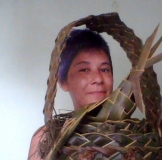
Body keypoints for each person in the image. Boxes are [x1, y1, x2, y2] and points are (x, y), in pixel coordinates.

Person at [28, 29, 114, 159]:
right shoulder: (45, 138)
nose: (98, 79)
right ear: (63, 81)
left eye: (104, 69)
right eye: (84, 70)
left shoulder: (135, 134)